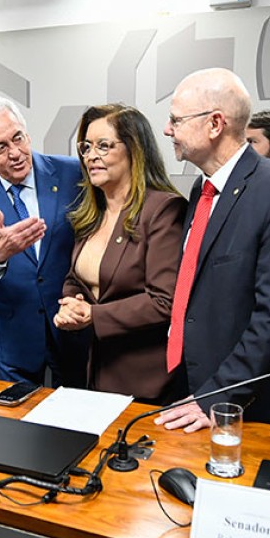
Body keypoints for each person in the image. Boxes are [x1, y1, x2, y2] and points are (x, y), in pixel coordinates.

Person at [155, 68, 270, 431]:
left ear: (215, 124)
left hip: (240, 403)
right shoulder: (202, 189)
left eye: (176, 120)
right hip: (190, 386)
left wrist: (217, 395)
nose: (167, 130)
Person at [53, 104, 186, 403]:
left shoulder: (163, 209)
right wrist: (72, 304)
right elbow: (77, 277)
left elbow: (164, 301)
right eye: (86, 147)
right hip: (97, 370)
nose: (91, 156)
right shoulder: (92, 212)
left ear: (134, 149)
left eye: (103, 145)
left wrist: (93, 315)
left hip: (148, 381)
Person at [0, 96, 84, 386]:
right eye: (0, 147)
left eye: (18, 138)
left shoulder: (72, 173)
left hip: (73, 328)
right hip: (15, 336)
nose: (15, 153)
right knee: (19, 412)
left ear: (27, 134)